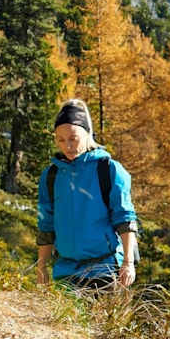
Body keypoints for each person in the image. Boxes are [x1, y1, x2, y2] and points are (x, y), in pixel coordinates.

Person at [36, 99, 138, 290]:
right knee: (65, 321)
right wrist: (42, 266)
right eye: (61, 139)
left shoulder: (109, 170)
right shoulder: (51, 175)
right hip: (65, 272)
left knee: (101, 321)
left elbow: (125, 218)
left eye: (73, 138)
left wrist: (128, 263)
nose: (68, 146)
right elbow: (46, 224)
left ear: (87, 134)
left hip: (106, 270)